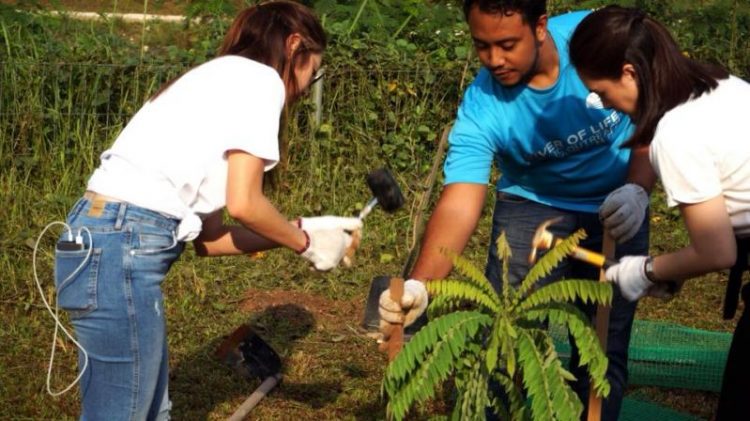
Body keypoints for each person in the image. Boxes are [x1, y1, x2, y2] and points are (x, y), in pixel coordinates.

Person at [53, 2, 361, 419]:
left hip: (109, 241)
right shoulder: (260, 80)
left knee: (150, 412)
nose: (306, 87)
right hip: (121, 247)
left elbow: (211, 240)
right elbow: (246, 204)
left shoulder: (217, 79)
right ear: (294, 45)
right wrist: (306, 244)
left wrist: (306, 228)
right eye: (313, 72)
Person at [378, 0, 657, 419]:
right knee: (507, 343)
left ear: (540, 27)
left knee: (603, 351)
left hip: (620, 205)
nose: (494, 60)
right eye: (482, 46)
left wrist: (638, 187)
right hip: (533, 205)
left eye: (507, 44)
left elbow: (653, 106)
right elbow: (459, 202)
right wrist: (421, 285)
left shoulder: (596, 38)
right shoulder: (483, 105)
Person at [569, 5, 750, 420]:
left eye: (601, 90)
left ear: (629, 73)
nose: (601, 103)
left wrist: (645, 271)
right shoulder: (719, 83)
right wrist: (673, 272)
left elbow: (716, 251)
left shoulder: (677, 132)